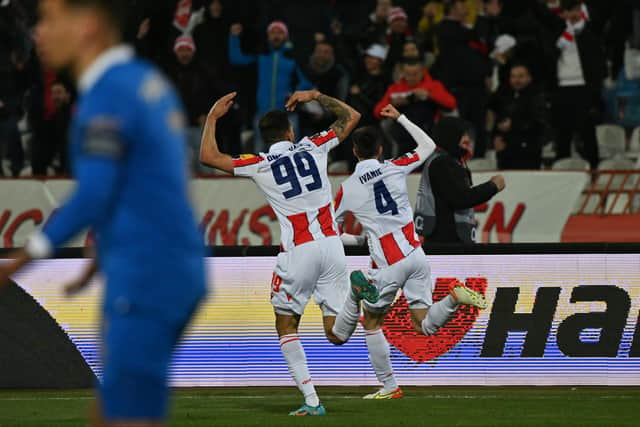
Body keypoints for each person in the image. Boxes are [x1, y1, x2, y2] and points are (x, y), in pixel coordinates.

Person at [0, 1, 207, 426]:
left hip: (145, 275)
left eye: (50, 18)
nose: (39, 32)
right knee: (114, 410)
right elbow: (151, 185)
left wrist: (17, 262)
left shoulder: (108, 93)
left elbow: (94, 193)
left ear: (88, 25)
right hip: (168, 268)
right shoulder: (145, 82)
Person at [199, 90, 375, 416]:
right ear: (291, 132)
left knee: (286, 324)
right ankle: (355, 299)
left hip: (299, 251)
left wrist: (212, 116)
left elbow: (209, 157)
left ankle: (312, 402)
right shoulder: (314, 145)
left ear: (265, 139)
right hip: (332, 246)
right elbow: (352, 117)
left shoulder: (261, 163)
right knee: (335, 333)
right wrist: (317, 95)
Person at [334, 103, 488, 399]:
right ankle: (454, 297)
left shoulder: (348, 188)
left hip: (388, 263)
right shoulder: (395, 166)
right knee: (426, 325)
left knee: (372, 322)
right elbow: (429, 145)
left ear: (355, 152)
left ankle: (389, 387)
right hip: (416, 255)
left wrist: (358, 240)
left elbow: (331, 234)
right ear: (380, 150)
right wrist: (401, 117)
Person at [414, 117, 505, 244]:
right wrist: (493, 186)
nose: (467, 140)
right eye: (462, 135)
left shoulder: (444, 160)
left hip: (442, 237)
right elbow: (462, 198)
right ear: (450, 135)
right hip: (447, 240)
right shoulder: (443, 163)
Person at [228, 20, 312, 152]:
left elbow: (306, 82)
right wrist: (234, 37)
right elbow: (236, 59)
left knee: (291, 154)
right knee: (261, 155)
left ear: (286, 36)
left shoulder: (293, 57)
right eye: (273, 32)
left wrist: (295, 94)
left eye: (280, 32)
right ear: (268, 36)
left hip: (286, 116)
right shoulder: (261, 56)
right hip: (263, 114)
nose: (276, 35)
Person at [374, 59, 457, 156]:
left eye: (415, 74)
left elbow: (451, 104)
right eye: (408, 74)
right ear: (402, 73)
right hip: (403, 134)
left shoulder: (433, 86)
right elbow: (377, 112)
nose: (411, 77)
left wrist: (429, 95)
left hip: (428, 133)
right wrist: (392, 104)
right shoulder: (395, 88)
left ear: (422, 71)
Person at [488, 63, 548, 170]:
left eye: (521, 76)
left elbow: (539, 121)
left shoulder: (537, 95)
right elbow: (497, 119)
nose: (516, 80)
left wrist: (514, 124)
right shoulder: (504, 95)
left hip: (527, 152)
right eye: (513, 76)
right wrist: (496, 138)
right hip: (506, 152)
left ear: (529, 78)